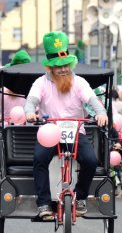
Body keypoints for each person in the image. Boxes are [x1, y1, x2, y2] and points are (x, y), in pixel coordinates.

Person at [24, 31, 107, 218]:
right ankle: (44, 204)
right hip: (50, 131)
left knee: (91, 161)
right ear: (50, 68)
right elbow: (31, 101)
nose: (63, 70)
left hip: (76, 130)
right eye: (58, 66)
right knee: (39, 159)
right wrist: (29, 112)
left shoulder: (79, 82)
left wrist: (101, 113)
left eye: (66, 65)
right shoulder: (40, 83)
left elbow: (93, 100)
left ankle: (80, 197)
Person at [0, 50, 31, 120]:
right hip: (6, 127)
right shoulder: (2, 91)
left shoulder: (32, 91)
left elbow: (37, 110)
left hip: (26, 127)